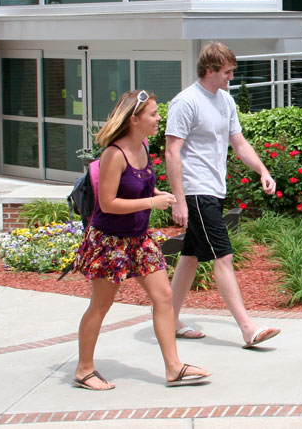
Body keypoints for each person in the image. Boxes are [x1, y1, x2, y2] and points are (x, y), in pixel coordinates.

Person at [74, 90, 209, 390]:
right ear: (134, 120)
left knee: (163, 298)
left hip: (138, 239)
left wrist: (156, 194)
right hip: (110, 242)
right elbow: (108, 203)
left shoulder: (145, 147)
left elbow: (139, 187)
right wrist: (151, 203)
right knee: (100, 305)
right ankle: (84, 369)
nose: (158, 118)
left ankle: (174, 368)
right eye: (153, 114)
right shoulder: (114, 154)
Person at [167, 43, 281, 348]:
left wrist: (262, 171)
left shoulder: (226, 101)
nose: (231, 77)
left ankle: (168, 319)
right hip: (196, 191)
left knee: (190, 257)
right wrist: (179, 200)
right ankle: (247, 328)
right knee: (223, 254)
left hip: (214, 189)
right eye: (227, 72)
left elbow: (239, 143)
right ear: (210, 70)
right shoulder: (186, 102)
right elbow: (172, 152)